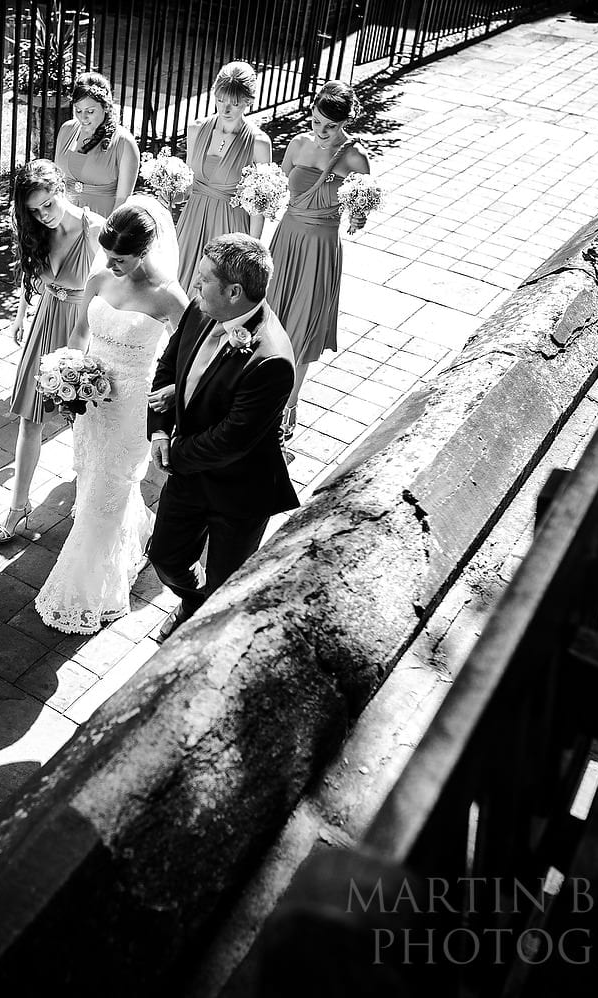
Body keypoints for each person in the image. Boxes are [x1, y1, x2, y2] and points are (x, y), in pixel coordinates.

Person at [35, 196, 188, 634]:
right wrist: (68, 373)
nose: (112, 263)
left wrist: (171, 394)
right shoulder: (100, 277)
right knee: (90, 476)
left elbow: (189, 355)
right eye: (109, 254)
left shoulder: (168, 298)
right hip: (92, 401)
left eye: (121, 258)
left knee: (108, 487)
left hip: (131, 409)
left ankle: (85, 592)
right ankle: (132, 534)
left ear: (144, 251)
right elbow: (80, 332)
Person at [146, 233, 300, 642]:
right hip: (191, 472)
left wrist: (173, 454)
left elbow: (232, 439)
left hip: (239, 489)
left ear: (234, 291)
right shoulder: (201, 309)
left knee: (226, 583)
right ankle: (192, 603)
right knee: (164, 558)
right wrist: (159, 430)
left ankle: (203, 639)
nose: (193, 287)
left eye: (202, 280)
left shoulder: (272, 360)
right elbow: (168, 367)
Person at [0, 160, 106, 543]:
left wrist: (81, 344)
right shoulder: (35, 230)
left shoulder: (95, 230)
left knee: (85, 424)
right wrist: (21, 314)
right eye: (34, 211)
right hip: (46, 319)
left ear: (62, 187)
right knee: (29, 418)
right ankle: (17, 506)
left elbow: (107, 292)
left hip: (82, 325)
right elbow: (30, 274)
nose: (43, 215)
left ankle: (91, 503)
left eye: (48, 204)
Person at [267, 81, 371, 440]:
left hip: (321, 248)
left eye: (331, 126)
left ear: (345, 122)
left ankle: (288, 407)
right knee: (271, 320)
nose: (322, 132)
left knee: (304, 328)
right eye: (316, 122)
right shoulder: (297, 144)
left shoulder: (355, 157)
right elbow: (277, 188)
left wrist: (358, 218)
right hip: (286, 240)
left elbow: (360, 211)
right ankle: (257, 397)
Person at [174, 61, 273, 291]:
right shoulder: (196, 129)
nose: (225, 109)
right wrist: (168, 189)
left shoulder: (258, 143)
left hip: (229, 227)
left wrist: (252, 250)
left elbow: (259, 205)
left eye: (234, 104)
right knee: (179, 293)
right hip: (192, 223)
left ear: (249, 101)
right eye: (220, 100)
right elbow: (187, 187)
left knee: (217, 296)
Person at [53, 71, 139, 219]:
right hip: (64, 221)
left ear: (106, 107)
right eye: (78, 110)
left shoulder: (125, 143)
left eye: (90, 111)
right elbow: (56, 182)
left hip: (100, 223)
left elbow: (122, 201)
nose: (83, 117)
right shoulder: (66, 130)